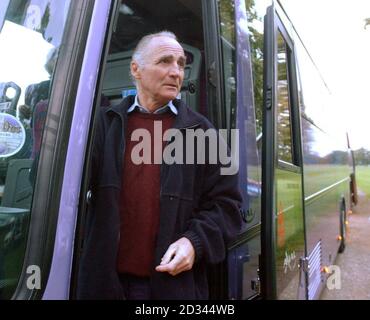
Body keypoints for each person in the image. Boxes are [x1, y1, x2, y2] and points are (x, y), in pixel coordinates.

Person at [77, 31, 242, 300]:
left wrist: (194, 242)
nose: (176, 72)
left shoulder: (202, 132)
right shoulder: (102, 125)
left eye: (180, 63)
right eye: (165, 61)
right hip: (104, 285)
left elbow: (228, 207)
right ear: (136, 69)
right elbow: (65, 188)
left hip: (171, 288)